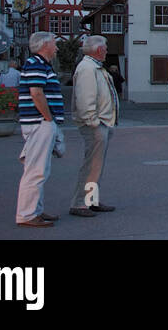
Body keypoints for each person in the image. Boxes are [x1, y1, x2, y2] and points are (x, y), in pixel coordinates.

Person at [15, 32, 64, 228]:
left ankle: (35, 210)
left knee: (40, 170)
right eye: (54, 44)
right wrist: (48, 118)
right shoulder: (36, 63)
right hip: (39, 123)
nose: (57, 48)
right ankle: (27, 214)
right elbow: (36, 92)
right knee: (36, 171)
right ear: (44, 45)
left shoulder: (39, 64)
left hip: (39, 122)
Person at [69, 35, 119, 218]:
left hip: (101, 123)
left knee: (95, 165)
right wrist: (93, 123)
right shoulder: (88, 69)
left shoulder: (93, 67)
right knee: (91, 165)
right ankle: (81, 203)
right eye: (105, 48)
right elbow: (85, 98)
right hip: (95, 125)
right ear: (98, 50)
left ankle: (90, 200)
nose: (106, 51)